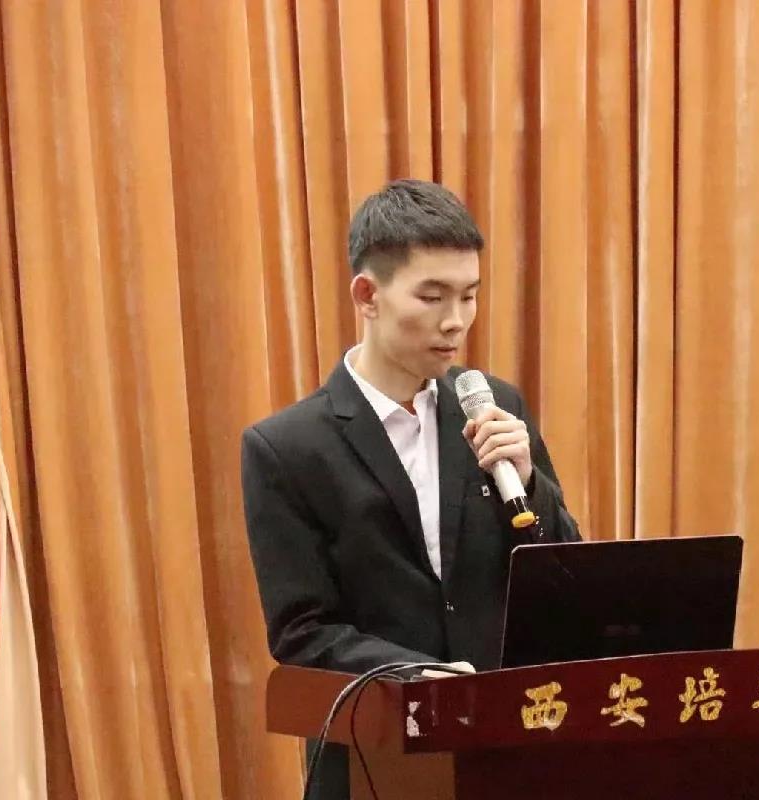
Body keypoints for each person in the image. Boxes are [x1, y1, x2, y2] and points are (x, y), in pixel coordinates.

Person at [241, 179, 581, 799]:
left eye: (469, 296)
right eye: (431, 296)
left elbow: (564, 574)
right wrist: (415, 675)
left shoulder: (493, 406)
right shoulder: (287, 447)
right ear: (367, 295)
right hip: (373, 761)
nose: (456, 321)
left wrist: (530, 482)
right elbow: (302, 631)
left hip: (505, 755)